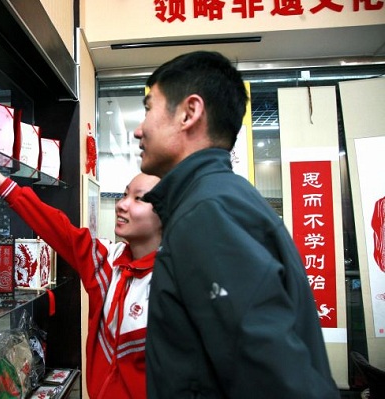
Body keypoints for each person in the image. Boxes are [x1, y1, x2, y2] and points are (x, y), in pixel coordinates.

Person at [134, 51, 340, 398]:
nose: (139, 129)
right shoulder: (218, 197)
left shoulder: (207, 212)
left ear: (189, 112)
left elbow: (274, 379)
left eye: (149, 107)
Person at [0, 127, 161, 399]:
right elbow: (57, 227)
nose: (122, 205)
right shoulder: (107, 261)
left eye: (138, 199)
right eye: (124, 194)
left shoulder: (172, 280)